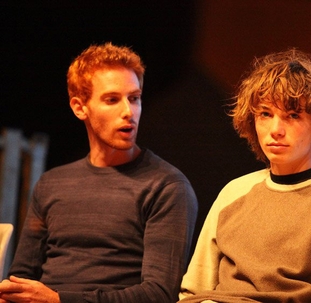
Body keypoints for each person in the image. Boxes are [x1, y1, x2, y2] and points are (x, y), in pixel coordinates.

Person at [0, 42, 198, 303]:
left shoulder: (167, 186)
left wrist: (59, 301)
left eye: (134, 98)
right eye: (112, 100)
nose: (128, 112)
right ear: (80, 107)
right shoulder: (52, 184)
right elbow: (22, 276)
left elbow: (159, 294)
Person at [178, 49, 311, 302]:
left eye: (293, 115)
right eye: (265, 114)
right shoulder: (233, 193)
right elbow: (193, 291)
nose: (276, 130)